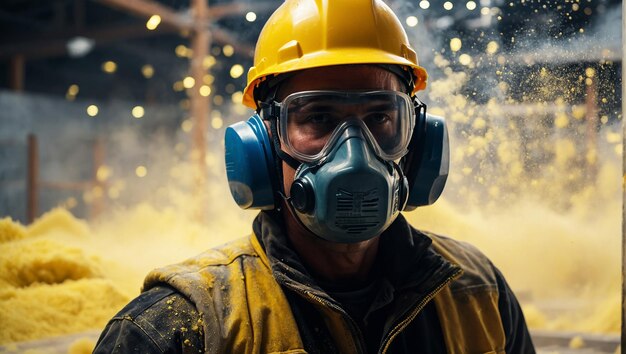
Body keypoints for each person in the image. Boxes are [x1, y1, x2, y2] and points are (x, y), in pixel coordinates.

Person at [94, 0, 535, 353]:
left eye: (381, 116)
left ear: (417, 140)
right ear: (263, 145)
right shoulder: (181, 328)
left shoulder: (479, 293)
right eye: (318, 116)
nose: (355, 153)